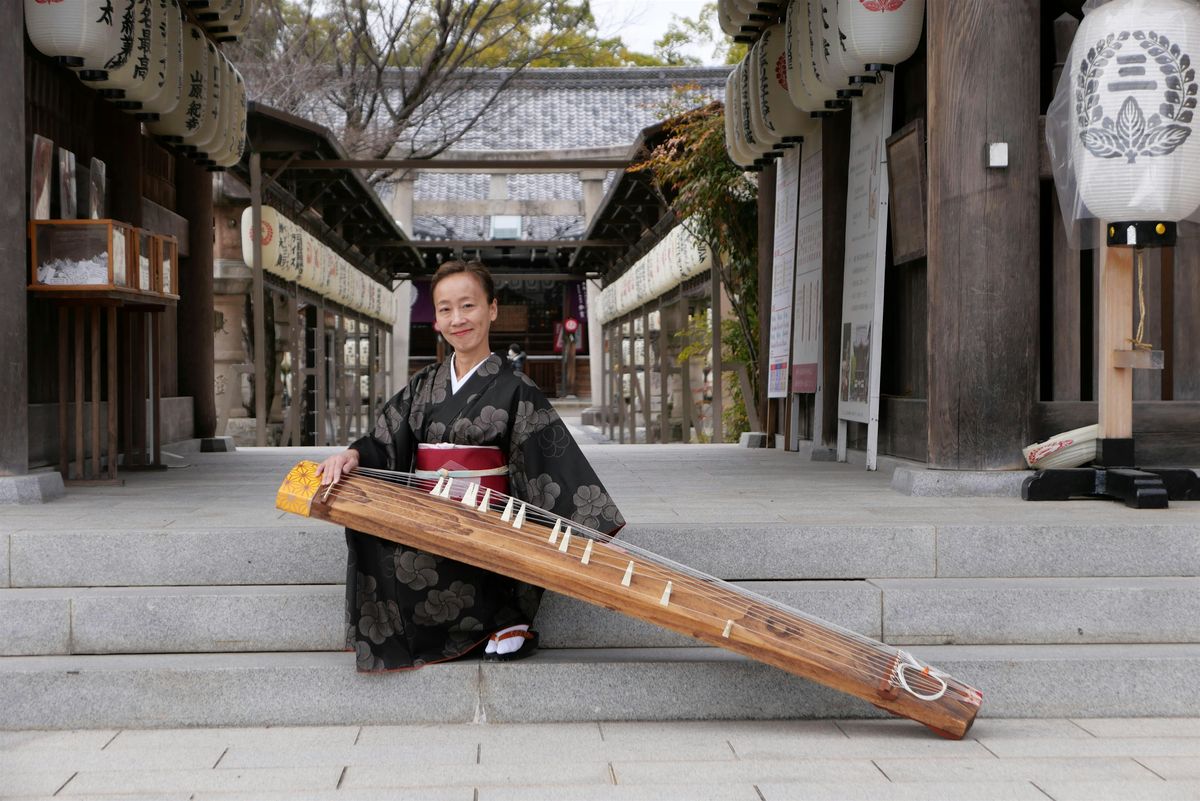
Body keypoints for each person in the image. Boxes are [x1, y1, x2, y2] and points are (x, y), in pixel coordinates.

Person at [317, 260, 624, 672]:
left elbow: (545, 463)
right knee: (369, 527)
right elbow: (384, 439)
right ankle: (422, 632)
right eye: (445, 309)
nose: (457, 319)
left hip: (488, 521)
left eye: (468, 306)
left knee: (489, 546)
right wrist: (353, 455)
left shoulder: (518, 390)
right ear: (436, 319)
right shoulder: (426, 383)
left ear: (492, 309)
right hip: (430, 514)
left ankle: (503, 617)